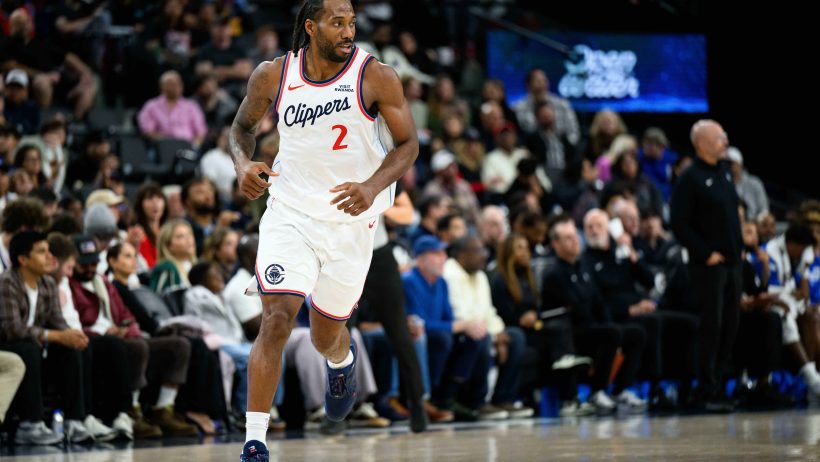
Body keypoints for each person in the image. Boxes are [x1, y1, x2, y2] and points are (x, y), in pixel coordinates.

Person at [229, 0, 418, 458]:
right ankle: (255, 442)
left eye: (352, 22)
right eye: (338, 22)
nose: (348, 30)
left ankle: (341, 359)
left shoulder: (376, 76)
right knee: (276, 320)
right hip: (290, 213)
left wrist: (372, 187)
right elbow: (241, 129)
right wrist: (242, 164)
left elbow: (409, 144)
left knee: (323, 334)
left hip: (351, 222)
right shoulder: (274, 75)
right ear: (311, 27)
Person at [670, 119, 743, 412]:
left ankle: (719, 387)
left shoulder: (724, 173)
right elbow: (679, 222)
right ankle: (704, 390)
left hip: (733, 264)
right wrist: (705, 253)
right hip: (709, 267)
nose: (725, 140)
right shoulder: (689, 178)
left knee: (730, 327)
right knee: (710, 328)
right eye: (720, 137)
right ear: (702, 143)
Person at [0, 231, 92, 444]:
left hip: (35, 345)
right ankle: (30, 424)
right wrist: (57, 335)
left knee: (72, 347)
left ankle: (74, 420)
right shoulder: (7, 283)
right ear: (23, 259)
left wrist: (72, 335)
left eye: (49, 251)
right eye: (42, 252)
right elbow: (12, 329)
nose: (50, 257)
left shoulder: (48, 283)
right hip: (8, 346)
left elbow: (57, 321)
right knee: (28, 347)